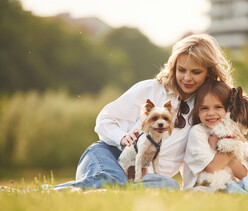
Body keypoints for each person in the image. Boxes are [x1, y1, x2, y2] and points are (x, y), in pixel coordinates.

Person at [54, 33, 234, 190]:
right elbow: (104, 120)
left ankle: (113, 191)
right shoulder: (150, 89)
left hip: (146, 177)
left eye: (195, 72)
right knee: (112, 179)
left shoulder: (206, 111)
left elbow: (193, 160)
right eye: (181, 70)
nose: (187, 78)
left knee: (169, 185)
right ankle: (54, 192)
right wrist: (121, 138)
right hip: (110, 156)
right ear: (173, 67)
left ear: (208, 73)